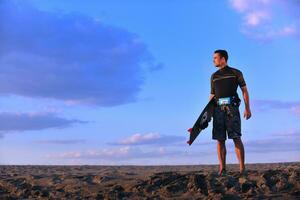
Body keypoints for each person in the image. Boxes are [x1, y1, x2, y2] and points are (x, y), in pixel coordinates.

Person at [209, 49, 251, 176]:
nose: (213, 60)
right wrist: (209, 112)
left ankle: (242, 169)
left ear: (223, 59)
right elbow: (212, 95)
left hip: (232, 109)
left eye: (215, 58)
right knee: (220, 139)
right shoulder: (214, 76)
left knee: (236, 137)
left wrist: (247, 108)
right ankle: (222, 169)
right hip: (217, 110)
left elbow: (244, 91)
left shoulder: (236, 73)